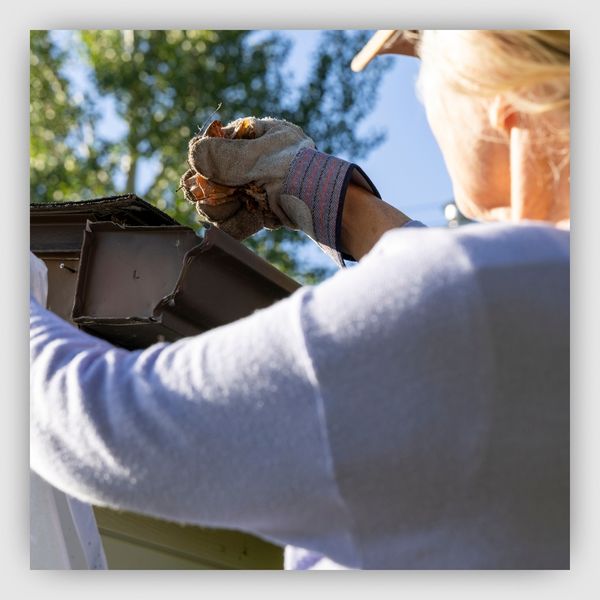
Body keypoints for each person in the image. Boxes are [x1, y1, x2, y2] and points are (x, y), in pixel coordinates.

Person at [30, 30, 570, 569]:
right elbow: (488, 298)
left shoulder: (465, 299)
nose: (426, 97)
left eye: (428, 69)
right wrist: (319, 190)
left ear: (500, 100)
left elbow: (110, 426)